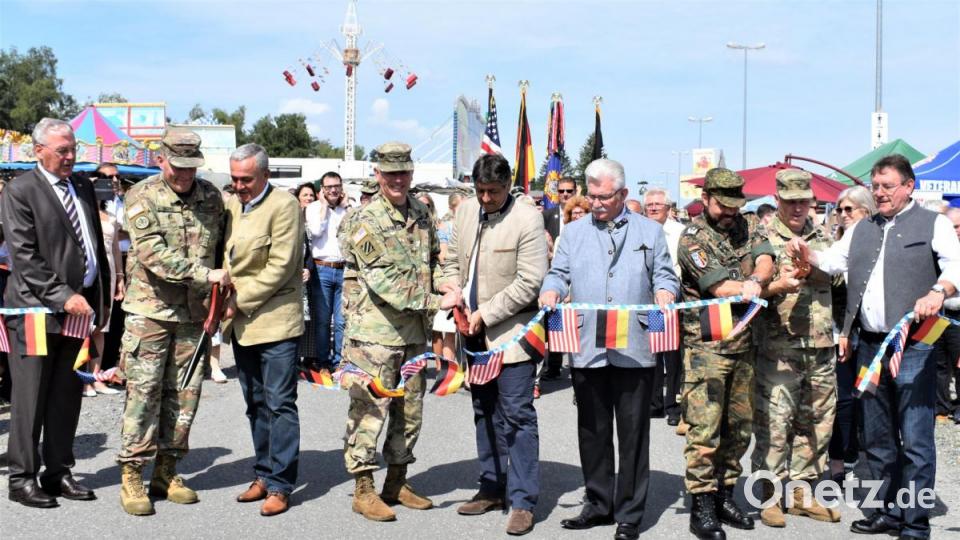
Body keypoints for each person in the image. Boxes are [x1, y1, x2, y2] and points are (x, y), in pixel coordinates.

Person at [787, 154, 960, 539]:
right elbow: (834, 261)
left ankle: (914, 522)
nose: (880, 193)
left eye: (887, 186)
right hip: (869, 344)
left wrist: (939, 291)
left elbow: (956, 266)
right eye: (876, 187)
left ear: (909, 186)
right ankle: (887, 512)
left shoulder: (934, 223)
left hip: (913, 343)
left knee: (915, 439)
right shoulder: (862, 228)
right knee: (878, 437)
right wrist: (808, 254)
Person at [541, 159, 680, 540]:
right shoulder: (572, 234)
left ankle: (631, 512)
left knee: (633, 432)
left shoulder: (650, 232)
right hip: (587, 344)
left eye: (605, 197)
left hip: (635, 345)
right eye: (593, 196)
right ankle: (599, 503)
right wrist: (550, 289)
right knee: (592, 429)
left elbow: (665, 274)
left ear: (623, 194)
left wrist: (666, 292)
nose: (597, 203)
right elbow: (558, 273)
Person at [338, 141, 458, 522]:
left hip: (412, 336)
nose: (398, 180)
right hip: (373, 335)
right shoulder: (364, 220)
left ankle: (397, 482)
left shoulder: (422, 213)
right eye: (390, 174)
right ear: (378, 175)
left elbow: (435, 260)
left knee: (410, 413)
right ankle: (363, 489)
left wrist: (447, 285)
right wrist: (435, 302)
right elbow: (383, 282)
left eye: (404, 172)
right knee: (369, 411)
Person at [115, 127, 229, 516]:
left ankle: (167, 472)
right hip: (150, 312)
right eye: (177, 166)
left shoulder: (212, 197)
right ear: (161, 158)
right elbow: (152, 254)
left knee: (185, 397)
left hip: (193, 315)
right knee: (144, 393)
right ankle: (132, 474)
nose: (184, 175)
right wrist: (206, 275)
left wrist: (224, 292)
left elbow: (224, 250)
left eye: (191, 167)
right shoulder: (141, 196)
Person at [1, 118, 111, 508]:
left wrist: (98, 294)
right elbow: (24, 256)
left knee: (67, 395)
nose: (70, 157)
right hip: (32, 309)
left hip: (78, 307)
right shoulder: (20, 190)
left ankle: (58, 471)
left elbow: (93, 243)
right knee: (30, 397)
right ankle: (22, 478)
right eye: (62, 151)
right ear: (39, 151)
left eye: (73, 150)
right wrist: (63, 295)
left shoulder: (80, 185)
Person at [442, 154, 548, 536]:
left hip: (512, 337)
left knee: (517, 415)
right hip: (471, 332)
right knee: (483, 410)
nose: (485, 198)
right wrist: (453, 291)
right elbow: (451, 259)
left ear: (508, 185)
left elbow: (530, 281)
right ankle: (491, 485)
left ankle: (522, 501)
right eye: (480, 190)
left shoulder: (527, 218)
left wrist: (485, 313)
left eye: (493, 192)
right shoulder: (467, 211)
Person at [677, 167, 775, 540]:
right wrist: (748, 287)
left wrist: (758, 279)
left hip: (744, 345)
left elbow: (766, 258)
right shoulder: (692, 237)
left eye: (736, 204)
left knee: (738, 427)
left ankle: (724, 494)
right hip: (708, 347)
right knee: (705, 429)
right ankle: (701, 504)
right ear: (706, 200)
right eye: (723, 205)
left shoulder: (748, 224)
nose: (730, 212)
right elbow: (718, 286)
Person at [751, 170, 839, 527]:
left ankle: (803, 491)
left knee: (817, 420)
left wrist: (815, 266)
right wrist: (777, 285)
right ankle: (769, 495)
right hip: (779, 345)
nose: (799, 207)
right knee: (774, 421)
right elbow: (753, 285)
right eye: (791, 201)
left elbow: (841, 276)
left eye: (804, 200)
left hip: (819, 344)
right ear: (778, 201)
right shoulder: (763, 237)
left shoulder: (824, 235)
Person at [222, 144, 304, 517]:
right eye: (234, 179)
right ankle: (264, 472)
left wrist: (238, 301)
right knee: (255, 403)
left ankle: (282, 485)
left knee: (279, 404)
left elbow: (281, 266)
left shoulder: (284, 205)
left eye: (246, 179)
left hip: (275, 323)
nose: (238, 186)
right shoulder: (233, 206)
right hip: (241, 325)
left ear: (265, 176)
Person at [828, 185, 876, 483]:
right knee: (841, 399)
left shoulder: (877, 243)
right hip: (838, 333)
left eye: (850, 209)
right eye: (840, 209)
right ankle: (837, 460)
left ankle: (860, 454)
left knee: (867, 398)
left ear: (866, 211)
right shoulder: (835, 245)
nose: (844, 215)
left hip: (870, 333)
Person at [643, 188, 686, 426]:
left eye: (658, 204)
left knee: (672, 354)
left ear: (668, 208)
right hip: (646, 301)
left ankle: (673, 405)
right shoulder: (638, 229)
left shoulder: (680, 232)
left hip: (671, 300)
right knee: (652, 351)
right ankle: (654, 402)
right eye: (649, 204)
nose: (653, 208)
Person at [305, 172, 349, 376]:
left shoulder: (347, 209)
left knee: (341, 320)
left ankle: (339, 361)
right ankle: (322, 362)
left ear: (342, 187)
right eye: (329, 187)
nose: (333, 190)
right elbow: (314, 232)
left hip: (343, 268)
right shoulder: (314, 208)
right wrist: (323, 206)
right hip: (321, 268)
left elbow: (355, 233)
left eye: (337, 186)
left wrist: (347, 207)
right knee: (322, 320)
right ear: (322, 189)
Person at [84, 198, 125, 397]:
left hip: (107, 271)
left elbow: (116, 249)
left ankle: (96, 377)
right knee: (84, 327)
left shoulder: (111, 217)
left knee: (101, 326)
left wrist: (120, 276)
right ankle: (83, 380)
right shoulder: (81, 212)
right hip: (88, 272)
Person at [939, 208, 960, 425]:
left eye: (957, 226)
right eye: (951, 226)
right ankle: (941, 407)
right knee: (939, 363)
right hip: (939, 315)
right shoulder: (940, 250)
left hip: (958, 315)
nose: (955, 231)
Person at [294, 183, 318, 369]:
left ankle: (309, 358)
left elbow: (313, 250)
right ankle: (292, 359)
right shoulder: (292, 217)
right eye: (305, 195)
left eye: (311, 195)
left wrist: (309, 268)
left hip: (314, 272)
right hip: (296, 274)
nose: (309, 198)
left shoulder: (318, 216)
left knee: (312, 319)